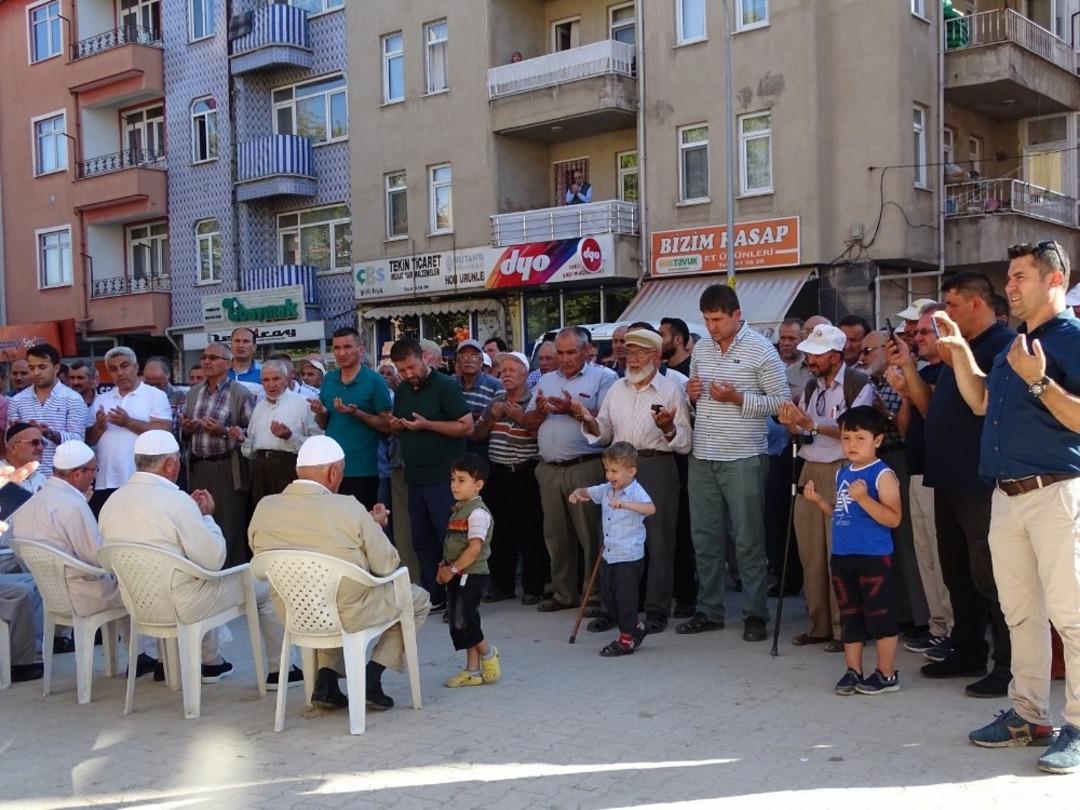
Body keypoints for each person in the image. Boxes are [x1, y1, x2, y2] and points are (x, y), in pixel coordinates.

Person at [939, 241, 1080, 773]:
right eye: (1010, 276)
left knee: (1072, 616)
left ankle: (1079, 727)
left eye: (1020, 276)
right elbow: (980, 402)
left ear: (1054, 281)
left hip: (1058, 493)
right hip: (1007, 496)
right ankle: (1028, 714)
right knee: (1022, 613)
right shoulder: (1014, 345)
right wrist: (957, 350)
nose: (1011, 286)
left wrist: (1039, 381)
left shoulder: (1073, 339)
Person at [100, 430, 297, 688]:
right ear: (170, 464)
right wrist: (206, 518)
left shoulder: (112, 502)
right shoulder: (177, 501)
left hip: (138, 602)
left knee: (189, 575)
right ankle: (280, 671)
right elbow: (214, 560)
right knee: (265, 583)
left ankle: (201, 662)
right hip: (183, 604)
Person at [248, 435, 430, 710]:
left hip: (294, 611)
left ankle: (327, 679)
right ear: (334, 472)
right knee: (416, 599)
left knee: (323, 589)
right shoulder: (348, 507)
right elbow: (387, 566)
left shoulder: (265, 506)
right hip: (346, 611)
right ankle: (372, 675)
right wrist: (375, 527)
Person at [917, 271, 1014, 698]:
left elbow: (987, 406)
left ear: (976, 303)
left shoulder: (1002, 345)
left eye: (952, 305)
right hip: (949, 480)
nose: (945, 314)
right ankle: (968, 649)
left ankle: (1008, 665)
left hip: (981, 482)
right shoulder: (961, 347)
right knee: (957, 573)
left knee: (990, 577)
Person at [678, 285, 788, 642]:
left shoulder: (762, 351)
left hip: (743, 456)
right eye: (707, 319)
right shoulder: (702, 350)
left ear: (737, 315)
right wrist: (691, 397)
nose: (711, 327)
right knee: (705, 539)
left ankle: (755, 613)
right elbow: (696, 403)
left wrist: (738, 398)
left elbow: (781, 404)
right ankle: (709, 610)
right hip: (703, 455)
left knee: (748, 540)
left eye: (717, 319)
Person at [573, 328, 692, 633]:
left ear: (655, 356)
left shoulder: (671, 389)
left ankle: (655, 610)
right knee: (612, 537)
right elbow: (604, 431)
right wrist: (587, 419)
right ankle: (611, 609)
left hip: (657, 466)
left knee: (659, 540)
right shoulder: (616, 388)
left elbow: (685, 443)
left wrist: (667, 428)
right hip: (620, 469)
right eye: (629, 353)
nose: (634, 360)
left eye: (640, 353)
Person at [10, 441, 158, 676]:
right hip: (83, 595)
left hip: (52, 594)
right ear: (77, 473)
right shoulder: (72, 505)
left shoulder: (33, 501)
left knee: (120, 583)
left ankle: (140, 655)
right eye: (93, 471)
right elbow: (98, 556)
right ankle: (154, 658)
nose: (94, 477)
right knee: (142, 587)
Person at [778, 324, 876, 651]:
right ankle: (819, 624)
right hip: (810, 466)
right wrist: (791, 422)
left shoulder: (859, 383)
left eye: (817, 355)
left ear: (835, 356)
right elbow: (804, 432)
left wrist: (810, 424)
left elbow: (854, 428)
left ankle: (845, 628)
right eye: (809, 354)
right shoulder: (810, 385)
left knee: (840, 551)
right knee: (811, 552)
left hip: (842, 469)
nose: (810, 359)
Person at [801, 406, 903, 695]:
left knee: (880, 615)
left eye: (860, 438)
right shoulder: (843, 473)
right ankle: (853, 670)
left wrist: (864, 498)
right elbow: (841, 512)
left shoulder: (883, 474)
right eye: (847, 438)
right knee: (850, 615)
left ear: (878, 440)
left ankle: (886, 674)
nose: (852, 445)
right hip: (843, 555)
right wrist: (820, 502)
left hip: (873, 557)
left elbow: (893, 518)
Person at [524, 327, 617, 614]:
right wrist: (540, 412)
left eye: (571, 352)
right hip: (549, 469)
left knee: (590, 535)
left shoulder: (604, 377)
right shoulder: (546, 379)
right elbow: (529, 422)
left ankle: (596, 595)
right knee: (556, 535)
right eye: (560, 353)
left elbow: (607, 420)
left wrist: (572, 410)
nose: (564, 359)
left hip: (584, 466)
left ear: (587, 351)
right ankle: (564, 593)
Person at [886, 304, 953, 653]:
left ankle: (953, 629)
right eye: (914, 333)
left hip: (939, 471)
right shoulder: (924, 372)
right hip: (915, 469)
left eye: (923, 332)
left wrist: (909, 378)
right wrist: (904, 391)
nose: (916, 339)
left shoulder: (951, 371)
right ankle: (936, 624)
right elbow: (904, 425)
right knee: (925, 554)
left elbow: (934, 412)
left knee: (943, 558)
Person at [389, 338, 473, 612]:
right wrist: (396, 425)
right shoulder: (403, 390)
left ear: (424, 358)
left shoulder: (445, 386)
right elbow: (402, 422)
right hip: (415, 478)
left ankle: (460, 600)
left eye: (412, 367)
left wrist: (428, 425)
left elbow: (466, 426)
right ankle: (436, 596)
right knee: (422, 540)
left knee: (450, 540)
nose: (408, 374)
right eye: (402, 370)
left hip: (444, 479)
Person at [856, 330, 929, 636]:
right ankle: (898, 613)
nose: (862, 357)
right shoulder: (868, 383)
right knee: (886, 544)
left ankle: (920, 617)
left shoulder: (904, 378)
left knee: (907, 542)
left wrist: (891, 407)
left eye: (868, 351)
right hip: (876, 461)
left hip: (898, 458)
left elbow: (904, 425)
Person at [472, 351, 549, 605]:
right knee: (500, 533)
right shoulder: (496, 398)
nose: (505, 374)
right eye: (502, 370)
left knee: (530, 533)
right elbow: (478, 435)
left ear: (525, 374)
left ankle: (533, 588)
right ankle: (502, 585)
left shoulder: (534, 399)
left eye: (511, 370)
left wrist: (520, 417)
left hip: (524, 471)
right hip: (497, 472)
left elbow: (540, 434)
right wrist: (491, 417)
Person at [569, 442, 654, 656]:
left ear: (631, 472)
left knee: (626, 599)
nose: (609, 475)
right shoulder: (606, 489)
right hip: (609, 554)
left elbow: (650, 508)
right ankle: (635, 627)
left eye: (614, 471)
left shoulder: (635, 491)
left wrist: (625, 505)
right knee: (611, 599)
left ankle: (626, 641)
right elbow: (586, 491)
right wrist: (577, 493)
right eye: (607, 470)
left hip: (629, 556)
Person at [181, 342, 254, 568]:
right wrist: (187, 428)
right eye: (204, 357)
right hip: (198, 467)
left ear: (229, 363)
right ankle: (207, 572)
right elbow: (183, 430)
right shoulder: (194, 392)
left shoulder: (240, 393)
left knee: (229, 524)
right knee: (200, 521)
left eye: (213, 357)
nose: (206, 362)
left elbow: (251, 434)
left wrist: (222, 432)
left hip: (227, 468)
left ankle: (234, 577)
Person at [436, 453, 501, 687]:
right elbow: (453, 544)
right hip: (456, 573)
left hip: (471, 575)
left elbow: (474, 549)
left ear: (479, 484)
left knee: (465, 620)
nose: (455, 485)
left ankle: (488, 653)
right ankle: (472, 671)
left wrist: (452, 569)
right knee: (461, 619)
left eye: (462, 480)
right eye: (453, 479)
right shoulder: (459, 510)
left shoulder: (478, 513)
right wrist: (443, 568)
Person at [85, 347, 173, 516]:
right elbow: (89, 439)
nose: (120, 373)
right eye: (113, 369)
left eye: (124, 366)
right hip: (106, 481)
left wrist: (128, 422)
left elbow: (164, 431)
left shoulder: (154, 395)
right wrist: (100, 427)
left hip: (143, 481)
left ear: (136, 367)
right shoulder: (102, 399)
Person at [309, 327, 391, 508]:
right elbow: (324, 423)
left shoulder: (374, 381)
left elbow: (387, 425)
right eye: (337, 348)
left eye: (347, 347)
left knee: (362, 527)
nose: (342, 353)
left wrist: (357, 413)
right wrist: (320, 412)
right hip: (331, 469)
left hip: (364, 469)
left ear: (361, 350)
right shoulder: (329, 379)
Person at [235, 359, 322, 506]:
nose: (271, 384)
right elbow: (252, 450)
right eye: (266, 380)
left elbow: (318, 443)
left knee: (290, 515)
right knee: (263, 516)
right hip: (261, 470)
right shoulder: (259, 407)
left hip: (289, 467)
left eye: (276, 379)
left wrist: (290, 437)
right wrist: (242, 439)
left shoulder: (302, 404)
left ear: (286, 379)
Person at [7, 343, 88, 477]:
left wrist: (50, 434)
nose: (36, 372)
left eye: (42, 367)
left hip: (61, 477)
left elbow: (78, 441)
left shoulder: (73, 399)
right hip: (26, 477)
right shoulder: (17, 400)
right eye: (32, 368)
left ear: (56, 368)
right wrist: (16, 434)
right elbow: (9, 444)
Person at [454, 340, 504, 454]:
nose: (469, 359)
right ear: (457, 362)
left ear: (481, 362)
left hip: (482, 446)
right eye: (463, 356)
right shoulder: (449, 384)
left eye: (474, 355)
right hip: (453, 444)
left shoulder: (496, 385)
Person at [789, 316, 831, 397]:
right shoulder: (789, 373)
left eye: (816, 332)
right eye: (807, 331)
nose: (810, 336)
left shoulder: (843, 372)